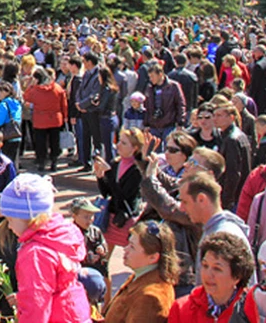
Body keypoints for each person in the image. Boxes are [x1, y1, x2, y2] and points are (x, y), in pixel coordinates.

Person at [0, 174, 92, 322]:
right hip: (73, 312)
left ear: (28, 217)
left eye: (10, 219)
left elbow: (36, 304)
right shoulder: (59, 235)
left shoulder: (35, 253)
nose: (9, 226)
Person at [139, 131, 200, 296]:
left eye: (193, 162)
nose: (187, 165)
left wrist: (151, 177)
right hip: (171, 266)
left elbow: (170, 208)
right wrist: (146, 161)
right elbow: (167, 182)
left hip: (185, 274)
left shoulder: (199, 200)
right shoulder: (185, 183)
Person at [178, 172, 252, 282]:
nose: (181, 208)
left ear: (201, 199)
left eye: (185, 202)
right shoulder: (214, 229)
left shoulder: (224, 234)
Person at [167, 232, 255, 323]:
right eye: (205, 265)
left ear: (237, 276)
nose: (208, 274)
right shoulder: (180, 308)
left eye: (217, 269)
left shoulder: (253, 309)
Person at [103, 220, 178, 323]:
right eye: (128, 243)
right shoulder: (140, 277)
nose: (125, 249)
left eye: (132, 247)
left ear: (153, 257)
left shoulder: (151, 297)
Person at [96, 127, 145, 260]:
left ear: (134, 148)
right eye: (119, 141)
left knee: (134, 259)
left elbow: (124, 196)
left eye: (123, 143)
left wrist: (109, 174)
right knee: (103, 260)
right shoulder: (116, 163)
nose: (118, 145)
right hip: (111, 217)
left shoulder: (137, 169)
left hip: (127, 219)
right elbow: (108, 193)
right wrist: (100, 177)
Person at [24, 67, 68, 172]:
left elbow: (26, 97)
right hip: (55, 118)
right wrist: (65, 116)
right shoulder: (57, 88)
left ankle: (41, 162)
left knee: (41, 143)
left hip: (40, 119)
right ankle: (54, 162)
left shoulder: (35, 90)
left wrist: (30, 85)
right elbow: (64, 104)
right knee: (54, 142)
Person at [68, 198, 109, 309]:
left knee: (95, 303)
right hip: (82, 275)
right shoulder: (70, 232)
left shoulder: (95, 231)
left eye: (92, 216)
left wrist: (102, 249)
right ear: (74, 215)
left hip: (96, 273)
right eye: (86, 217)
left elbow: (103, 244)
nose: (90, 220)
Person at [213, 99, 251, 213]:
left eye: (219, 115)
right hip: (240, 193)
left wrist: (226, 200)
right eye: (214, 115)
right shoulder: (236, 135)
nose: (215, 118)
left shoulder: (232, 139)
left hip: (234, 197)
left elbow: (233, 173)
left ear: (231, 117)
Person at [144, 63, 187, 145]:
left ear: (160, 74)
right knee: (154, 150)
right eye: (149, 77)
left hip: (169, 123)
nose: (151, 79)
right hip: (154, 124)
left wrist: (180, 121)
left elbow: (180, 104)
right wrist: (146, 123)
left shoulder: (173, 86)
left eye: (152, 76)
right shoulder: (150, 88)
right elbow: (148, 107)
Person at [0, 81, 23, 167]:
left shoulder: (3, 105)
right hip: (16, 134)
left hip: (6, 135)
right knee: (14, 160)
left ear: (7, 92)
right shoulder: (17, 104)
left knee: (5, 160)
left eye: (1, 91)